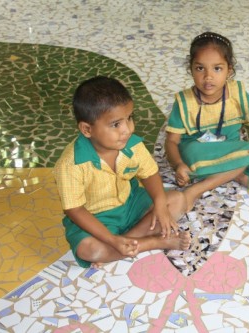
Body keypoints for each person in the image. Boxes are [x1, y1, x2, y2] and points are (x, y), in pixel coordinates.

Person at [54, 76, 191, 268]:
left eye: (129, 118)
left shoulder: (132, 145)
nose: (127, 129)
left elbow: (150, 174)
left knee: (177, 200)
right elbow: (75, 210)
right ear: (87, 129)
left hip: (131, 202)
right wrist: (110, 238)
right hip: (97, 218)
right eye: (115, 124)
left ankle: (120, 246)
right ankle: (153, 242)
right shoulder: (70, 164)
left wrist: (159, 203)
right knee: (89, 250)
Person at [165, 32, 249, 211]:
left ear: (229, 70)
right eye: (200, 68)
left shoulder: (237, 94)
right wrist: (178, 165)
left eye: (217, 68)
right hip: (197, 150)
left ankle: (196, 190)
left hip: (228, 147)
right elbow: (171, 141)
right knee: (191, 152)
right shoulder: (184, 102)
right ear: (190, 69)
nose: (208, 76)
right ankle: (238, 175)